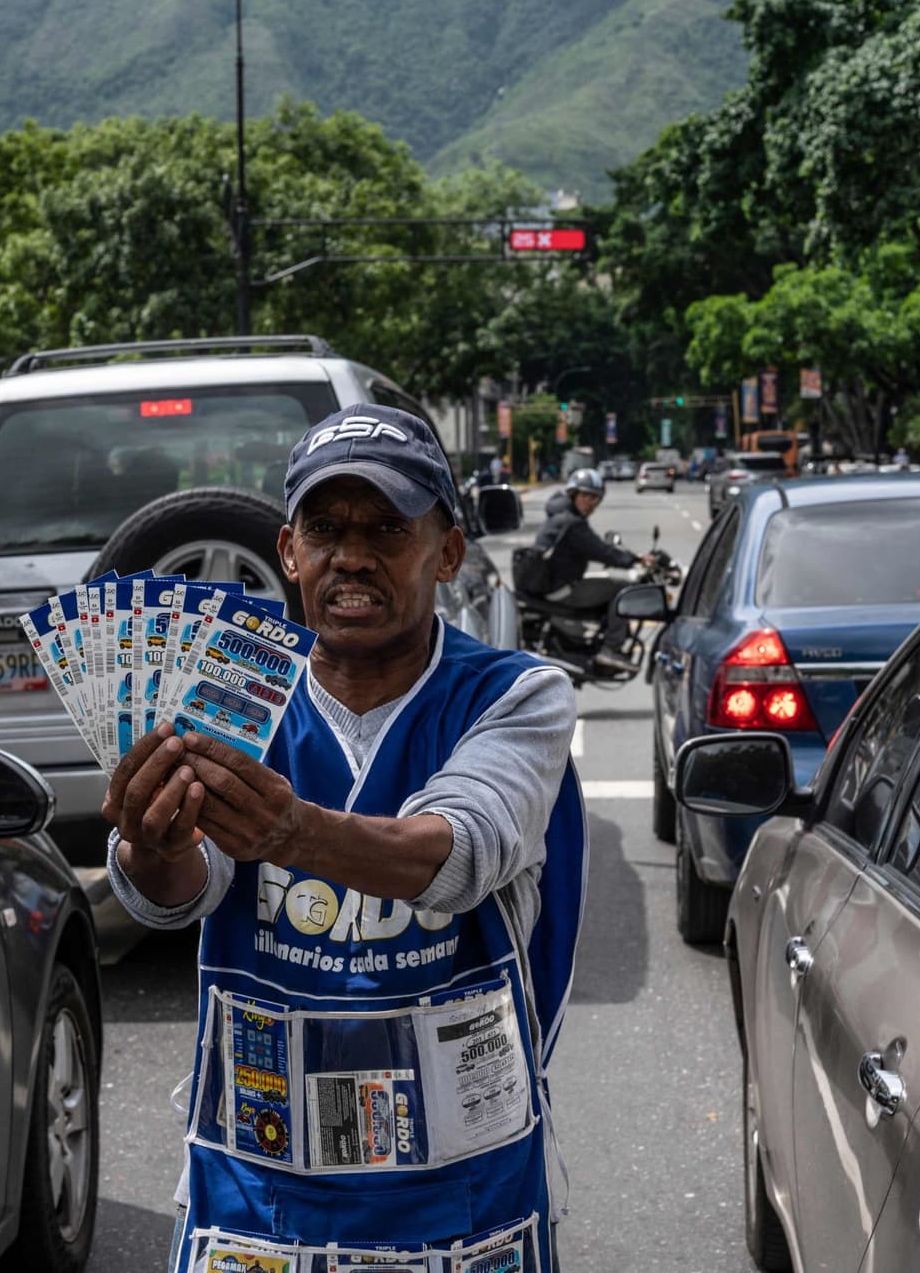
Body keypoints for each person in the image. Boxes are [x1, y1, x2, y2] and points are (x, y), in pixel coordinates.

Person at [105, 404, 585, 1272]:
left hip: (462, 1180)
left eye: (387, 530)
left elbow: (460, 849)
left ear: (446, 552)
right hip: (258, 1177)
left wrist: (294, 831)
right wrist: (153, 844)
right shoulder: (234, 689)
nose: (352, 557)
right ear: (288, 551)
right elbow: (183, 891)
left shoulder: (518, 695)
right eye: (325, 529)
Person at [529, 468, 651, 676]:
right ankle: (611, 649)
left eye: (596, 498)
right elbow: (601, 551)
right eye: (586, 496)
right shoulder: (572, 524)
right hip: (562, 589)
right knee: (621, 590)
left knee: (606, 584)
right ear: (573, 494)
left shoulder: (562, 517)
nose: (591, 502)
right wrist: (636, 559)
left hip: (553, 583)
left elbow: (596, 546)